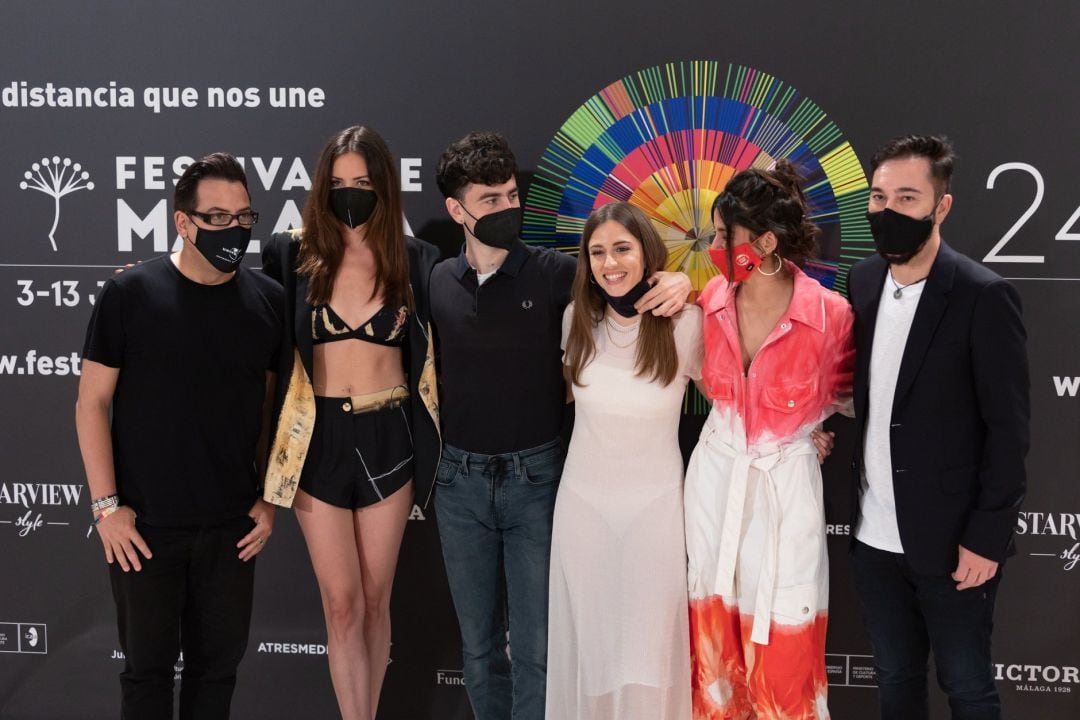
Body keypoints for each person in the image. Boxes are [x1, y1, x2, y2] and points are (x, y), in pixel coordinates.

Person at [430, 131, 691, 720]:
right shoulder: (437, 280)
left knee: (538, 649)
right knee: (476, 650)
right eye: (489, 201)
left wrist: (682, 281)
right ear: (457, 211)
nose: (505, 209)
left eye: (509, 196)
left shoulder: (558, 277)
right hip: (459, 484)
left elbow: (630, 288)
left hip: (538, 479)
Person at [75, 152, 282, 719]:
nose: (234, 229)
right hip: (144, 528)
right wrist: (106, 507)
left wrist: (268, 500)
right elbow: (91, 403)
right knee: (146, 675)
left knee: (217, 676)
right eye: (217, 217)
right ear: (182, 222)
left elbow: (269, 411)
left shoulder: (269, 300)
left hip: (231, 529)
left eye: (243, 217)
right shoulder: (130, 294)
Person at [260, 126, 441, 720]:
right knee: (339, 604)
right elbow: (235, 304)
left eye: (362, 183)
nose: (349, 194)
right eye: (337, 184)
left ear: (384, 186)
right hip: (316, 441)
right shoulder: (291, 253)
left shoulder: (414, 260)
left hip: (390, 437)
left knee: (374, 597)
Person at [847, 135, 1029, 720]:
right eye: (879, 196)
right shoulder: (864, 281)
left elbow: (1009, 430)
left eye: (906, 197)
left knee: (968, 685)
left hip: (954, 545)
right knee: (896, 681)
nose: (888, 210)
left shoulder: (983, 296)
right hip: (875, 539)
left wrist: (987, 535)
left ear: (940, 206)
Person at [683, 161, 854, 719]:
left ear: (764, 242)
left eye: (720, 236)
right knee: (713, 652)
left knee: (786, 642)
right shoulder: (710, 301)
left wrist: (817, 433)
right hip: (714, 486)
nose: (711, 246)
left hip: (785, 497)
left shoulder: (830, 318)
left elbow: (852, 407)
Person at [546, 201, 703, 720]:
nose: (609, 263)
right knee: (591, 653)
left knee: (651, 653)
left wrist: (805, 431)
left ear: (647, 252)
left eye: (621, 248)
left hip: (657, 513)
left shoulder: (687, 323)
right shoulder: (577, 320)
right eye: (597, 252)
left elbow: (735, 401)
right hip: (583, 509)